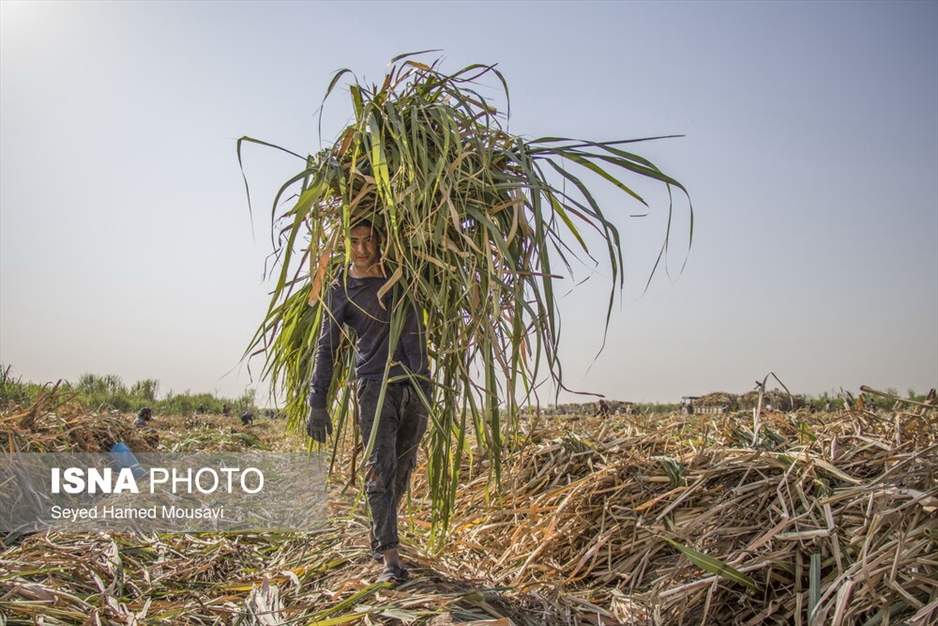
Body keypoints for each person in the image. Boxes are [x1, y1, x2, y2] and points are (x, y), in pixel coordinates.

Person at [306, 219, 431, 585]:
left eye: (369, 240)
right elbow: (326, 348)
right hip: (376, 385)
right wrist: (318, 399)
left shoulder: (408, 273)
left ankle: (378, 537)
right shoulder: (341, 289)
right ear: (345, 244)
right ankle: (390, 560)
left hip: (418, 384)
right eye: (354, 241)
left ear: (382, 242)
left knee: (403, 469)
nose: (361, 249)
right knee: (379, 467)